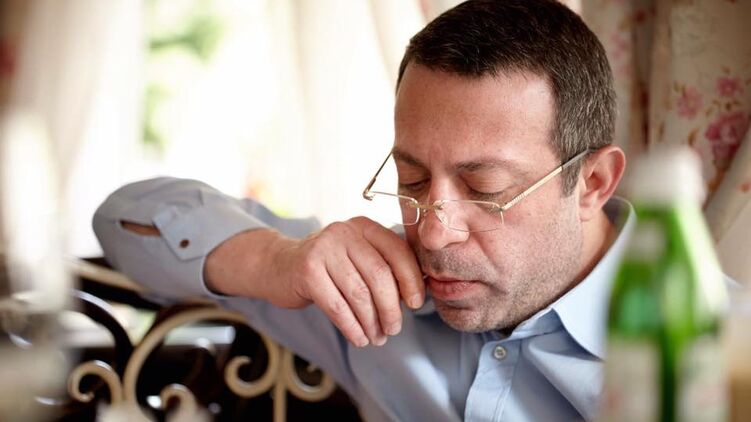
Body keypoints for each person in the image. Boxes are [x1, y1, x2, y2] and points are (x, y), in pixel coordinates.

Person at [94, 0, 630, 420]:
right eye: (413, 178)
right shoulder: (375, 294)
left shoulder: (678, 353)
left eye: (484, 187)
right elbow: (125, 219)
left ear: (593, 183)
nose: (433, 233)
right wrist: (274, 262)